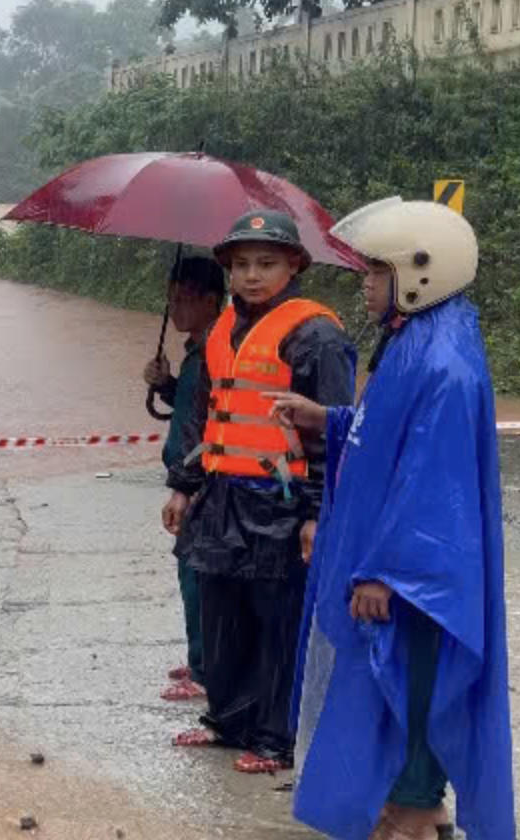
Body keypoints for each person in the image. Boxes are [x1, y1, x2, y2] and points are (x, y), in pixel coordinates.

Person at [273, 198, 516, 840]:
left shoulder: (441, 361)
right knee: (401, 676)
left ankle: (415, 811)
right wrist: (329, 419)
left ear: (419, 273)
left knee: (412, 678)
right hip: (406, 557)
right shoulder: (422, 339)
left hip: (416, 568)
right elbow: (389, 437)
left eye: (375, 273)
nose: (366, 285)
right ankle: (413, 802)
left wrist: (385, 570)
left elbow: (430, 481)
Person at [166, 210, 357, 773]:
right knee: (222, 619)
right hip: (223, 494)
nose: (252, 276)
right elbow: (206, 418)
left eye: (266, 263)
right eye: (242, 264)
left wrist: (317, 514)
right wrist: (184, 485)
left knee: (279, 626)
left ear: (294, 265)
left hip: (282, 500)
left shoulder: (316, 335)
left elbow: (333, 432)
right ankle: (228, 722)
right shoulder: (222, 330)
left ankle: (276, 738)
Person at [144, 256, 229, 703]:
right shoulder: (198, 350)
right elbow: (192, 407)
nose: (175, 308)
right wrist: (166, 384)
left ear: (211, 301)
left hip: (201, 484)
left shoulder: (218, 349)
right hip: (188, 480)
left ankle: (207, 669)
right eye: (171, 299)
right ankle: (199, 658)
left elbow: (212, 422)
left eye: (184, 300)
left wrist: (190, 484)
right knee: (190, 575)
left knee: (199, 578)